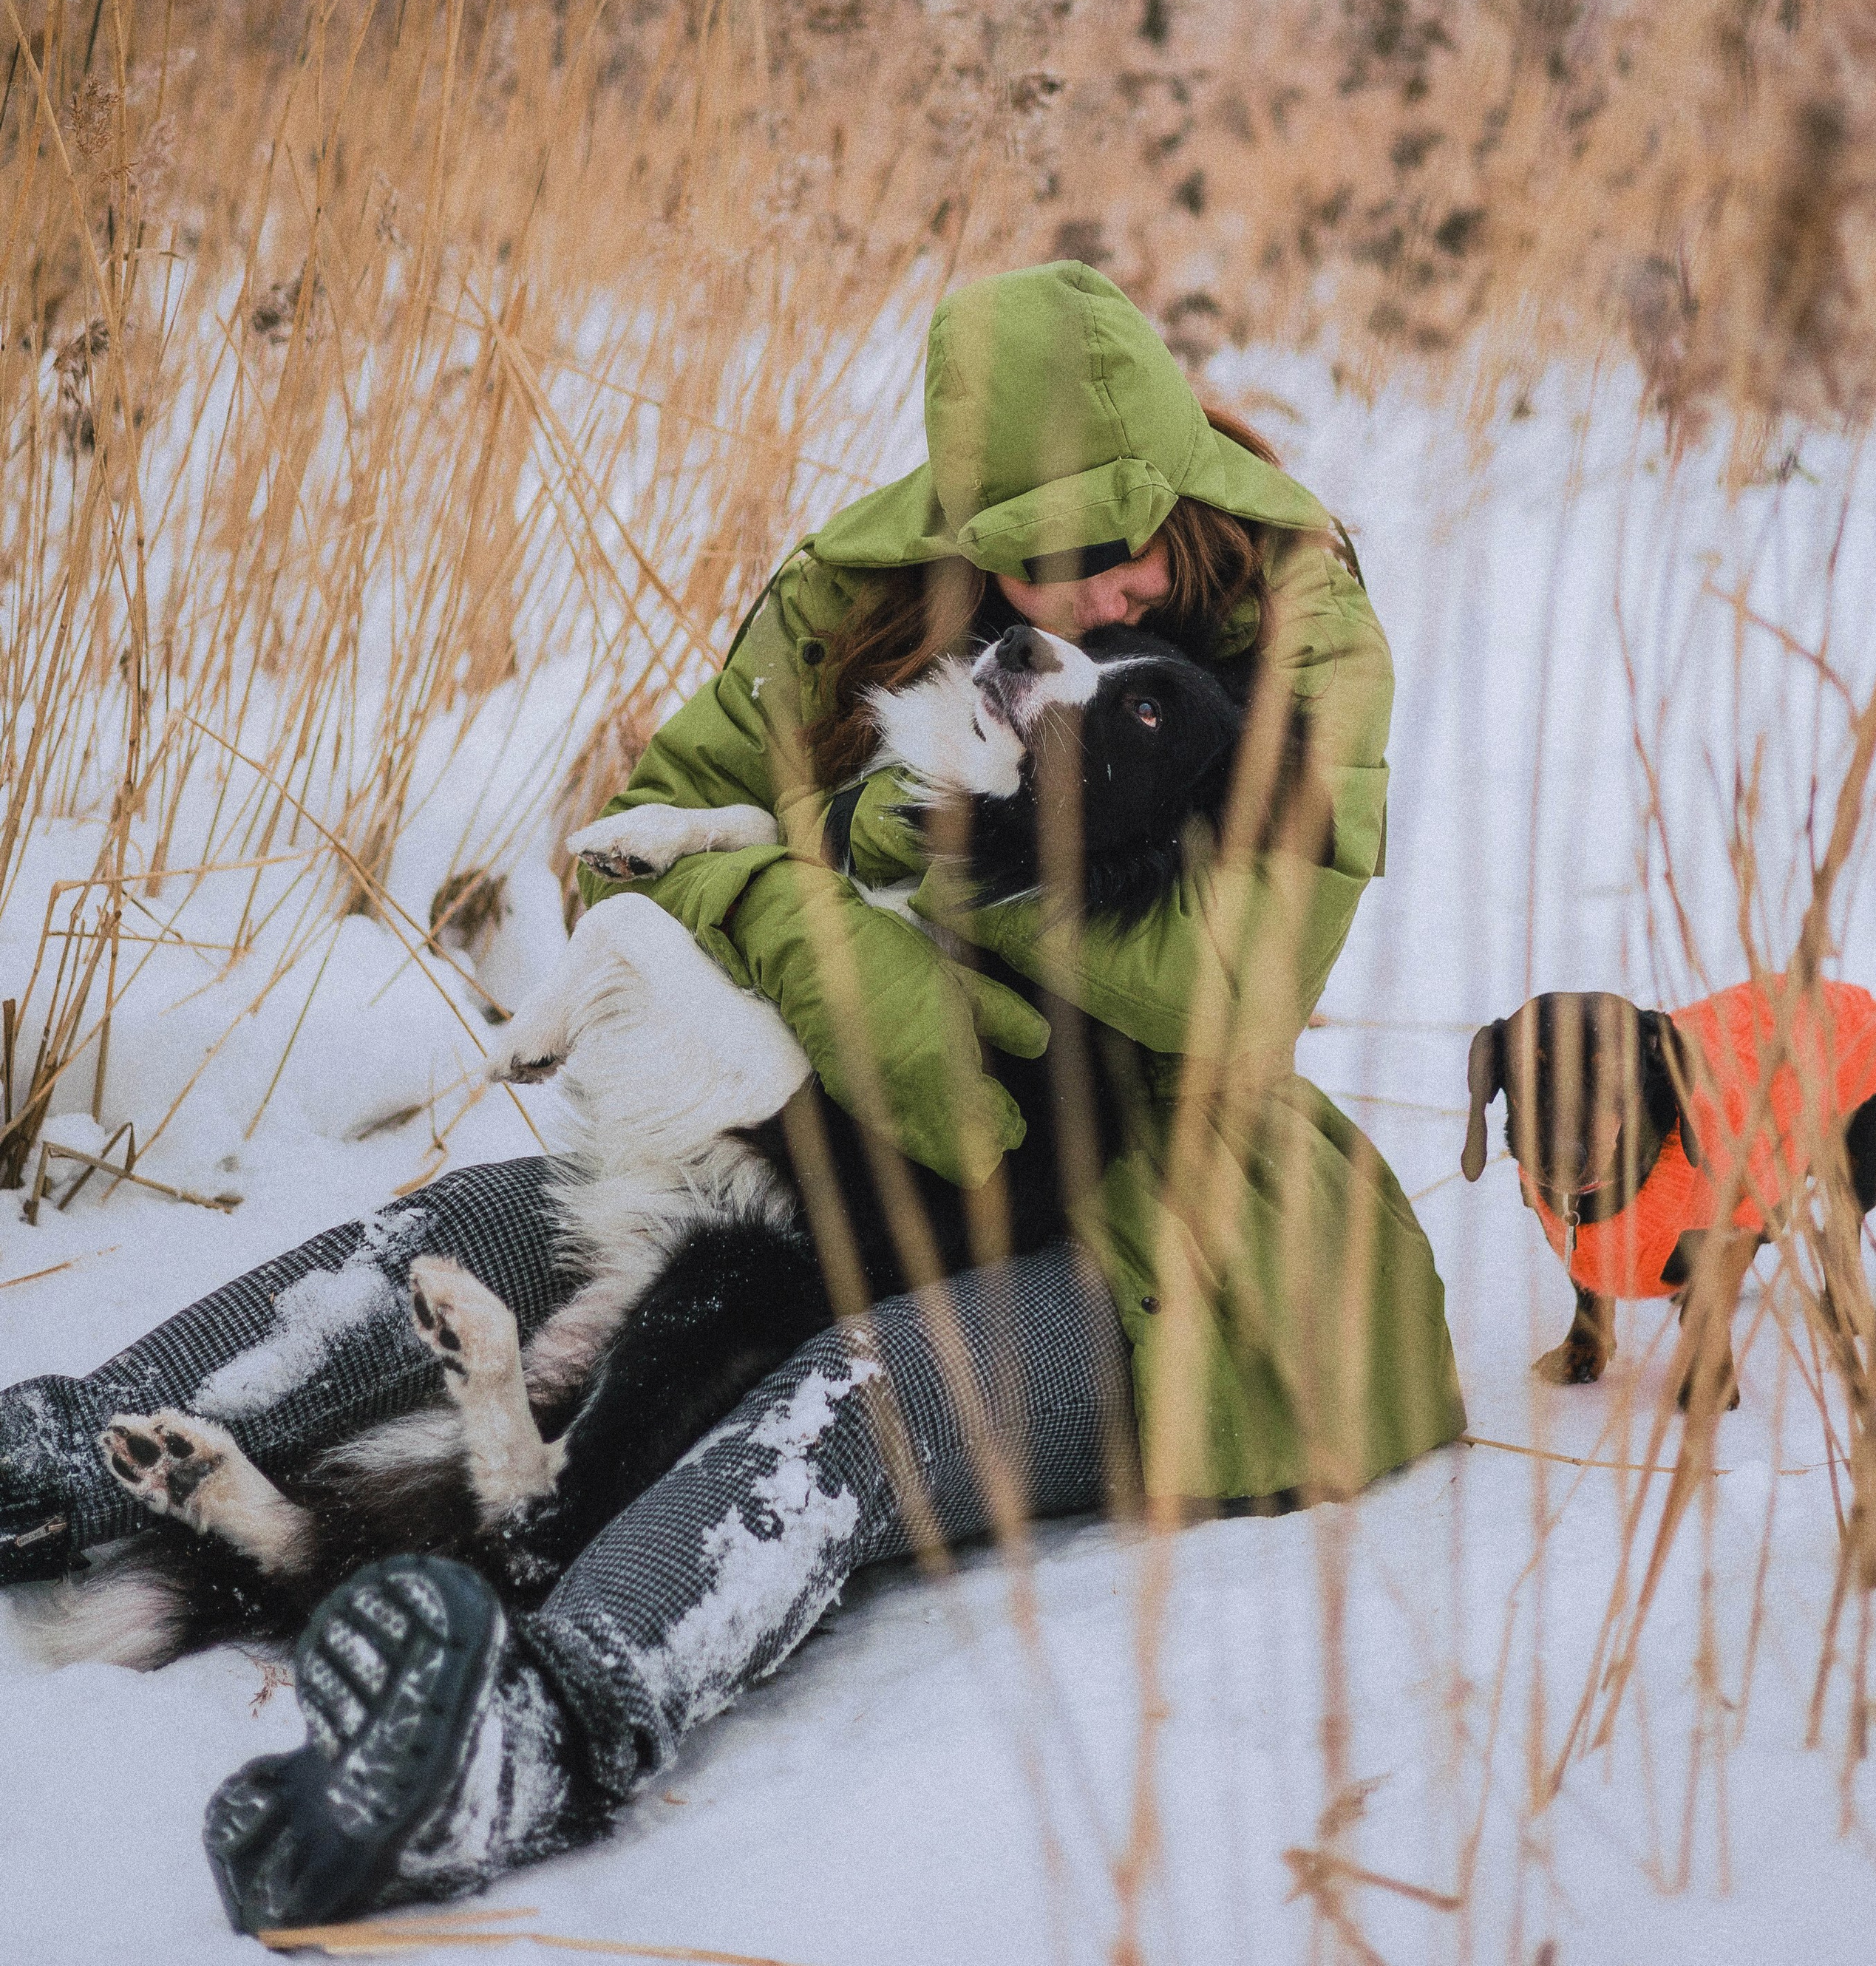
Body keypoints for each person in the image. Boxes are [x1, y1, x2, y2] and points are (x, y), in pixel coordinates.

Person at [0, 262, 1464, 1932]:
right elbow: (642, 819)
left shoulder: (1292, 613)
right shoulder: (864, 587)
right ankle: (60, 1455)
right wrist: (805, 891)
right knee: (487, 1220)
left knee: (856, 1393)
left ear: (1175, 488)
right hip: (824, 1119)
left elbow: (1239, 984)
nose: (1087, 598)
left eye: (1114, 546)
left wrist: (940, 853)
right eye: (1032, 564)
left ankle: (536, 1727)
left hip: (1138, 1210)